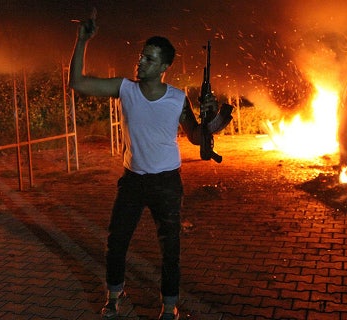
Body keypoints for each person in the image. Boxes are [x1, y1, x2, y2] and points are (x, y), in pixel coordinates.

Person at [69, 12, 231, 320]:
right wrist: (81, 41)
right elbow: (78, 83)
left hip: (167, 183)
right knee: (116, 243)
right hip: (132, 181)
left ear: (164, 68)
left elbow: (196, 138)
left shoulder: (177, 99)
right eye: (142, 56)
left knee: (171, 250)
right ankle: (114, 297)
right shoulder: (125, 89)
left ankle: (169, 306)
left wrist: (211, 119)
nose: (141, 62)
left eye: (150, 59)